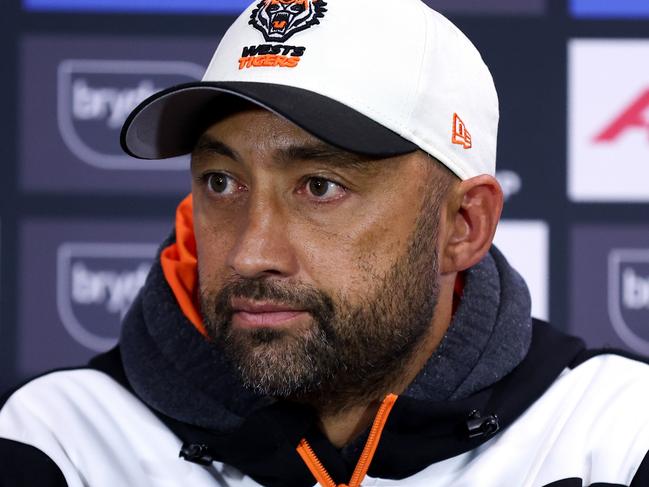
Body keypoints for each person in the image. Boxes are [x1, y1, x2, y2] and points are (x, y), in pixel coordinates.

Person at [2, 0, 649, 485]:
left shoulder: (610, 439)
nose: (250, 252)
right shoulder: (60, 440)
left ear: (463, 226)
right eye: (221, 181)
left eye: (319, 186)